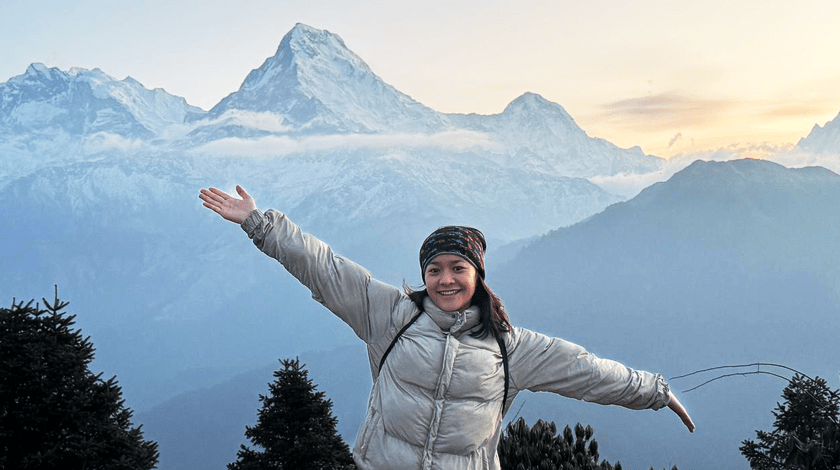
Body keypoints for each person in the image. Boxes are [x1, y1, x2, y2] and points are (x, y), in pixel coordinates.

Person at [199, 185, 695, 470]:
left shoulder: (510, 347)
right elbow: (325, 268)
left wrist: (654, 391)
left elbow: (586, 371)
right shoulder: (390, 315)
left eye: (458, 268)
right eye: (434, 269)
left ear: (477, 275)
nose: (445, 279)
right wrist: (260, 225)